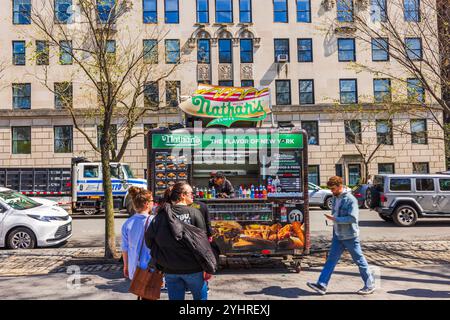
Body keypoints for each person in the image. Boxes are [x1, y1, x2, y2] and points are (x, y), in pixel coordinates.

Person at [307, 176, 375, 295]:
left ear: (340, 186)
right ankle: (322, 285)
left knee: (359, 260)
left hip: (350, 236)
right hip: (338, 236)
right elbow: (336, 213)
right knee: (331, 261)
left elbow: (352, 218)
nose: (332, 191)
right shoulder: (335, 197)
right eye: (330, 189)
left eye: (333, 188)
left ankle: (370, 285)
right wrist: (333, 220)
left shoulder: (350, 199)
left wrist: (335, 219)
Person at [146, 182, 210, 300]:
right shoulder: (195, 213)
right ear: (182, 195)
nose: (193, 195)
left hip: (170, 269)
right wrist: (208, 267)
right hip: (193, 268)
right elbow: (203, 244)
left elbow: (149, 241)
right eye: (191, 193)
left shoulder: (161, 215)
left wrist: (163, 256)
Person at [121, 187, 154, 282]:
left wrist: (126, 266)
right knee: (150, 294)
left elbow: (125, 248)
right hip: (151, 267)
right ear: (147, 204)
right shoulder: (154, 221)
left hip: (135, 268)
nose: (153, 203)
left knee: (140, 292)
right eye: (152, 200)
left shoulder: (127, 223)